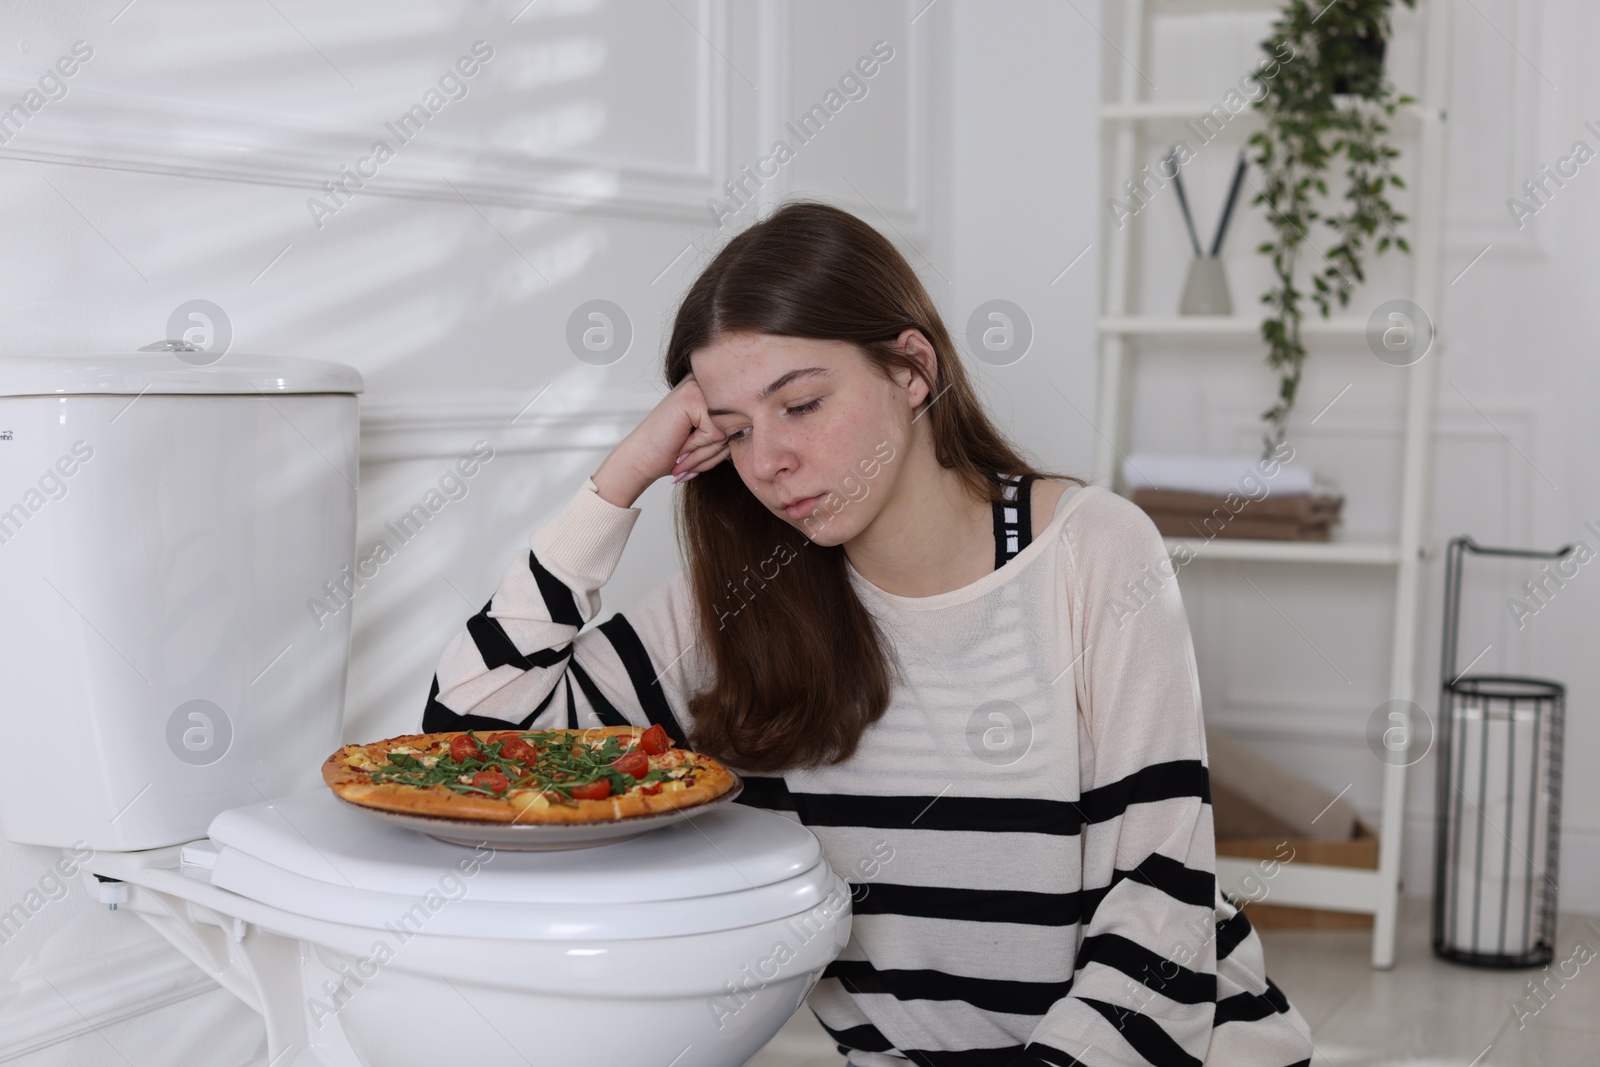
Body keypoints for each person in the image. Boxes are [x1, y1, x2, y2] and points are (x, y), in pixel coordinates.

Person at [421, 200, 1315, 1066]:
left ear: (912, 369)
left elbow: (1163, 905)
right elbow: (472, 747)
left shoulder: (1094, 552)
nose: (767, 462)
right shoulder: (743, 602)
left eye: (801, 405)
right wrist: (620, 480)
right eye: (733, 432)